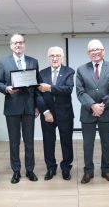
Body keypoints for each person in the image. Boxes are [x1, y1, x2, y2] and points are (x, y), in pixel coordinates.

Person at [0, 33, 40, 184]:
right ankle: (16, 171)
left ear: (24, 44)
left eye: (20, 42)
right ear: (11, 46)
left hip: (29, 107)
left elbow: (37, 85)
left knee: (29, 141)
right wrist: (6, 88)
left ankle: (30, 170)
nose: (18, 45)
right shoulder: (4, 62)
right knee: (14, 142)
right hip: (12, 107)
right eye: (15, 43)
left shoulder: (33, 62)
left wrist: (36, 106)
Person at [76, 39, 109, 184]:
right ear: (88, 54)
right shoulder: (81, 69)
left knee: (106, 143)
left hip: (106, 112)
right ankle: (88, 171)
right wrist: (92, 105)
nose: (95, 52)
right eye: (92, 50)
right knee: (88, 144)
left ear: (103, 51)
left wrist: (102, 105)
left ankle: (106, 170)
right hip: (88, 112)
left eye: (98, 49)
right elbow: (80, 92)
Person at [36, 46, 75, 181]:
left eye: (58, 55)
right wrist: (45, 112)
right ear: (48, 58)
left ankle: (66, 168)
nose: (55, 58)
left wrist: (49, 88)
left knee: (66, 142)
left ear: (62, 58)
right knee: (48, 142)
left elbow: (67, 89)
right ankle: (51, 168)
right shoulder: (41, 73)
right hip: (47, 114)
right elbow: (38, 95)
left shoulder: (69, 72)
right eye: (52, 56)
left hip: (65, 114)